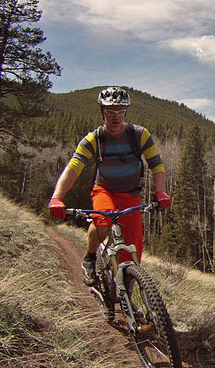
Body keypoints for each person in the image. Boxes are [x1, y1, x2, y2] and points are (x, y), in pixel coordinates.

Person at [48, 86, 171, 286]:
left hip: (131, 194)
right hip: (104, 190)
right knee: (102, 222)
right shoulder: (94, 139)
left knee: (132, 252)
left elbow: (157, 165)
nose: (115, 116)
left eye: (120, 111)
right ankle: (89, 258)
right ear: (102, 112)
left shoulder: (139, 135)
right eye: (110, 111)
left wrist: (160, 191)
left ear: (125, 112)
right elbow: (73, 168)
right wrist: (57, 197)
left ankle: (127, 301)